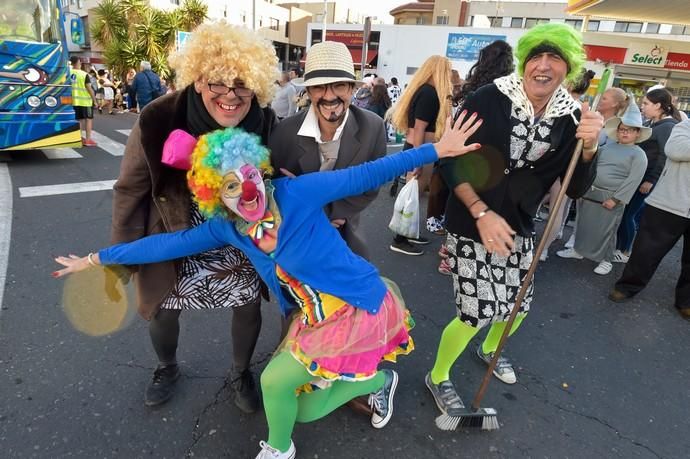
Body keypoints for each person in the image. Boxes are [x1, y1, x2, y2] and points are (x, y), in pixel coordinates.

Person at [53, 114, 484, 459]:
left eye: (248, 176)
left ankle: (282, 446)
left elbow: (367, 173)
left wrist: (435, 149)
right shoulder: (230, 229)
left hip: (357, 305)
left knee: (278, 385)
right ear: (216, 197)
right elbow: (168, 243)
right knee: (306, 406)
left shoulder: (298, 193)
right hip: (312, 317)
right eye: (230, 187)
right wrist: (96, 258)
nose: (246, 191)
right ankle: (375, 384)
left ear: (258, 168)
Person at [425, 23, 603, 416]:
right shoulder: (488, 99)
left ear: (568, 68)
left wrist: (589, 148)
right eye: (535, 57)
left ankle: (490, 350)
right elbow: (450, 161)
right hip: (471, 219)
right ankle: (438, 375)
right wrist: (481, 212)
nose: (542, 65)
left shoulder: (572, 118)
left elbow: (575, 188)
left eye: (554, 57)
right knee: (476, 310)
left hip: (519, 225)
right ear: (523, 63)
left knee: (518, 306)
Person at [102, 24, 279, 410]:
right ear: (198, 79)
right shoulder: (158, 117)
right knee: (163, 307)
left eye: (242, 83)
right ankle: (167, 366)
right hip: (176, 229)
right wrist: (122, 252)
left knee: (248, 304)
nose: (230, 95)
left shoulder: (264, 121)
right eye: (218, 82)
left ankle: (240, 370)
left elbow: (278, 178)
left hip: (237, 233)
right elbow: (130, 187)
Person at [268, 41, 387, 260]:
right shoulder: (284, 133)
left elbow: (371, 184)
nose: (329, 96)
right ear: (308, 91)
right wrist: (304, 209)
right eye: (319, 86)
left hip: (347, 240)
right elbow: (272, 189)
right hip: (297, 241)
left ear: (352, 88)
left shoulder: (373, 127)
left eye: (339, 85)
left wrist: (330, 213)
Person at [437, 41, 514, 273]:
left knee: (459, 198)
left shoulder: (472, 89)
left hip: (460, 152)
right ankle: (462, 256)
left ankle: (451, 253)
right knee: (484, 206)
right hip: (491, 159)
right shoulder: (504, 94)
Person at [609, 119, 690, 320]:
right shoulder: (685, 126)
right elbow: (675, 150)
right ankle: (627, 286)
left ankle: (686, 301)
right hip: (669, 202)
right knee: (646, 251)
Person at [556, 100, 649, 275]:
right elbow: (591, 165)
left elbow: (633, 180)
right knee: (583, 224)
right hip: (591, 191)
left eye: (629, 130)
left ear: (637, 133)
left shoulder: (639, 155)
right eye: (622, 129)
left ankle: (606, 260)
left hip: (612, 196)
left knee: (608, 230)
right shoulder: (606, 146)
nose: (625, 133)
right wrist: (582, 186)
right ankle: (578, 250)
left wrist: (616, 199)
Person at [389, 55, 453, 256]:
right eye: (447, 71)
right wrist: (417, 159)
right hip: (421, 150)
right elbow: (419, 127)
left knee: (412, 196)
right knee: (410, 196)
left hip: (420, 149)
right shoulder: (429, 93)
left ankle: (407, 234)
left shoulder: (424, 91)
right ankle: (399, 239)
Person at [614, 88, 680, 263]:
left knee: (629, 215)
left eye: (646, 103)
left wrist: (651, 180)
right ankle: (619, 247)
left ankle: (624, 251)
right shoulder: (654, 124)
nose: (643, 107)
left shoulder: (668, 126)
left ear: (658, 105)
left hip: (646, 180)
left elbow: (664, 156)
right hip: (638, 177)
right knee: (626, 213)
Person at [539, 68, 595, 261]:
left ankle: (537, 247)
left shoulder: (561, 106)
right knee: (557, 211)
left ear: (569, 83)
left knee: (544, 208)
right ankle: (543, 249)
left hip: (551, 165)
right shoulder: (582, 110)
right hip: (567, 168)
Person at [68, 56, 98, 147]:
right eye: (80, 62)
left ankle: (79, 138)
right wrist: (95, 101)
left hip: (74, 101)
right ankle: (88, 140)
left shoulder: (68, 73)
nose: (80, 64)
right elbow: (89, 88)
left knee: (79, 120)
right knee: (88, 120)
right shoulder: (83, 74)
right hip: (85, 102)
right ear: (77, 63)